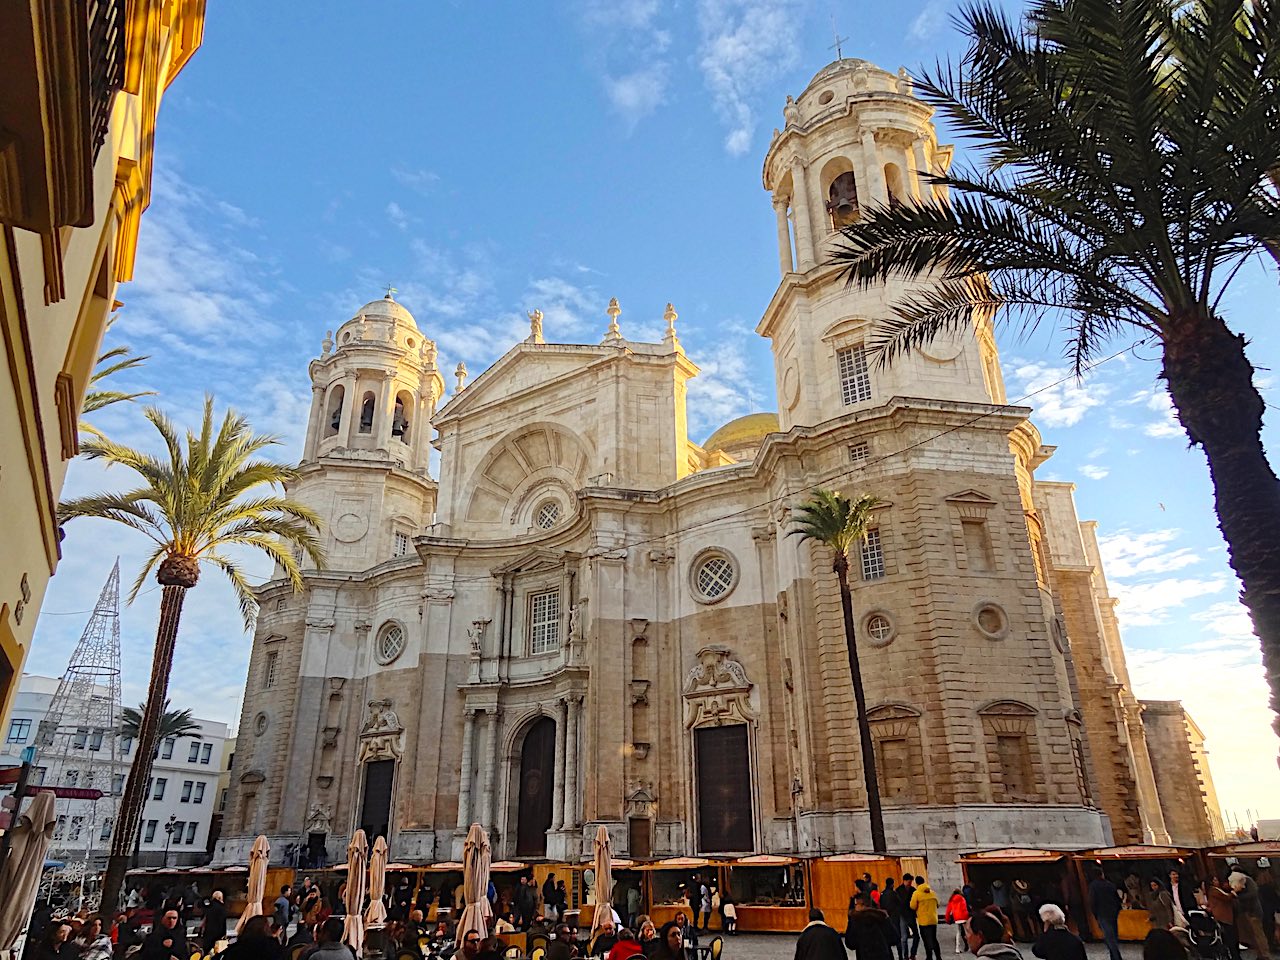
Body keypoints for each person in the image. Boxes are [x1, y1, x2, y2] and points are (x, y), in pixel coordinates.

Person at [1230, 866, 1272, 960]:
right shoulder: (1241, 882)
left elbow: (1253, 893)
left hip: (1254, 912)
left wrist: (1238, 896)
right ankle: (1260, 954)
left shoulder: (1248, 881)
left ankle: (1265, 955)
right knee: (1253, 936)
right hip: (1247, 911)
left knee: (1258, 934)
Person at [845, 892, 898, 960]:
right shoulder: (882, 917)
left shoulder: (856, 921)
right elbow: (894, 939)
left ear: (862, 905)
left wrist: (850, 922)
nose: (855, 907)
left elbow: (851, 944)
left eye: (855, 904)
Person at [1088, 869, 1124, 960]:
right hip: (1112, 912)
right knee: (1114, 936)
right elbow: (1117, 899)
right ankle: (1114, 956)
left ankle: (1116, 957)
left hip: (1102, 913)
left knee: (1109, 937)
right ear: (1102, 874)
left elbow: (1092, 901)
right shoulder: (1110, 884)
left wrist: (1095, 914)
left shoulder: (1093, 886)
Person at [1205, 876, 1241, 960]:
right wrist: (1235, 891)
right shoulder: (1213, 890)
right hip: (1223, 917)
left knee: (1233, 936)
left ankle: (1235, 955)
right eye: (1215, 880)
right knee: (1231, 937)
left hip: (1227, 915)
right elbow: (1226, 897)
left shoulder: (1218, 889)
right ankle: (1235, 956)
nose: (1217, 881)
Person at [912, 876, 941, 960]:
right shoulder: (932, 893)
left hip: (923, 921)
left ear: (917, 883)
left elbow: (913, 906)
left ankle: (929, 957)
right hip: (933, 919)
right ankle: (938, 957)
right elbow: (938, 904)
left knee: (926, 939)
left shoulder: (916, 893)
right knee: (933, 938)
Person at [881, 878, 904, 960]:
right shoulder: (894, 893)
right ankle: (900, 956)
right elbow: (900, 903)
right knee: (897, 937)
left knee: (887, 938)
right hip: (894, 918)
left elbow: (881, 905)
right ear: (892, 884)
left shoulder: (882, 894)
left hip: (885, 918)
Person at [900, 875, 921, 960]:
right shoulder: (898, 890)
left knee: (916, 936)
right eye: (909, 882)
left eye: (911, 882)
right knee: (904, 938)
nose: (910, 883)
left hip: (911, 915)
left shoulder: (913, 890)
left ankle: (912, 954)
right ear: (904, 881)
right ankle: (905, 956)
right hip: (903, 915)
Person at [946, 889, 970, 954]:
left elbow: (948, 911)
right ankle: (969, 945)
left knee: (958, 932)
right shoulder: (962, 898)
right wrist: (967, 917)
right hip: (964, 917)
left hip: (957, 918)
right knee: (966, 931)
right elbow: (964, 908)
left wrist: (947, 919)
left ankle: (957, 948)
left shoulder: (951, 900)